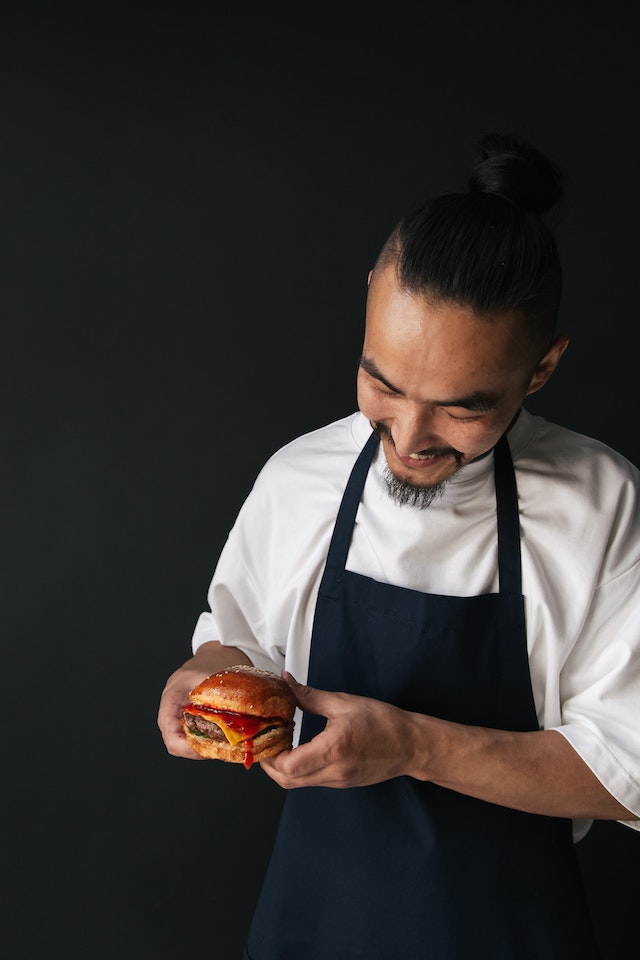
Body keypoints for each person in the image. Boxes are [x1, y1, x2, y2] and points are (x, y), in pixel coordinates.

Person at [158, 133, 640, 959]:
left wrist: (413, 746)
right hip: (313, 923)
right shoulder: (301, 477)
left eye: (461, 407)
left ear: (541, 369)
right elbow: (238, 643)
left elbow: (628, 769)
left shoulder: (604, 502)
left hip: (512, 933)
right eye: (382, 383)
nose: (409, 438)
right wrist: (201, 679)